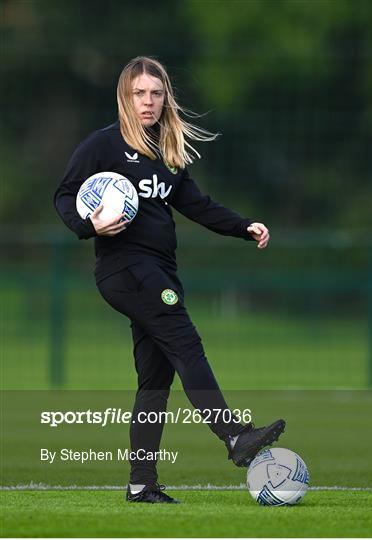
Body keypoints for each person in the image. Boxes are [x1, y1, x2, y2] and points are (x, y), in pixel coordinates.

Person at [54, 56, 285, 504]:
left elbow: (197, 205)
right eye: (139, 93)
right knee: (187, 343)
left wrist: (244, 225)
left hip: (158, 270)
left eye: (156, 93)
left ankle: (141, 484)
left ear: (165, 98)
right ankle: (234, 436)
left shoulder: (166, 152)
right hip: (125, 269)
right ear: (126, 97)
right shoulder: (103, 145)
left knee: (154, 383)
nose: (148, 101)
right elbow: (64, 194)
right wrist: (89, 225)